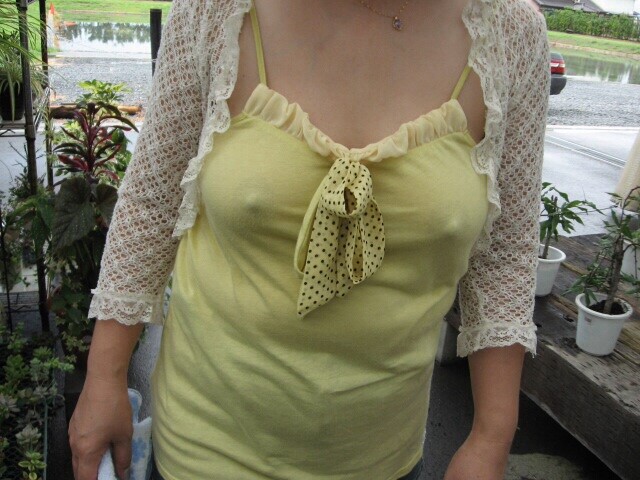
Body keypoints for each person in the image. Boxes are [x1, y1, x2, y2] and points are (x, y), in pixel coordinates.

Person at [68, 0, 550, 479]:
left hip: (382, 459)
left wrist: (491, 438)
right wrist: (104, 376)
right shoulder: (215, 11)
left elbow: (505, 252)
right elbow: (151, 202)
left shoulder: (510, 33)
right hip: (204, 450)